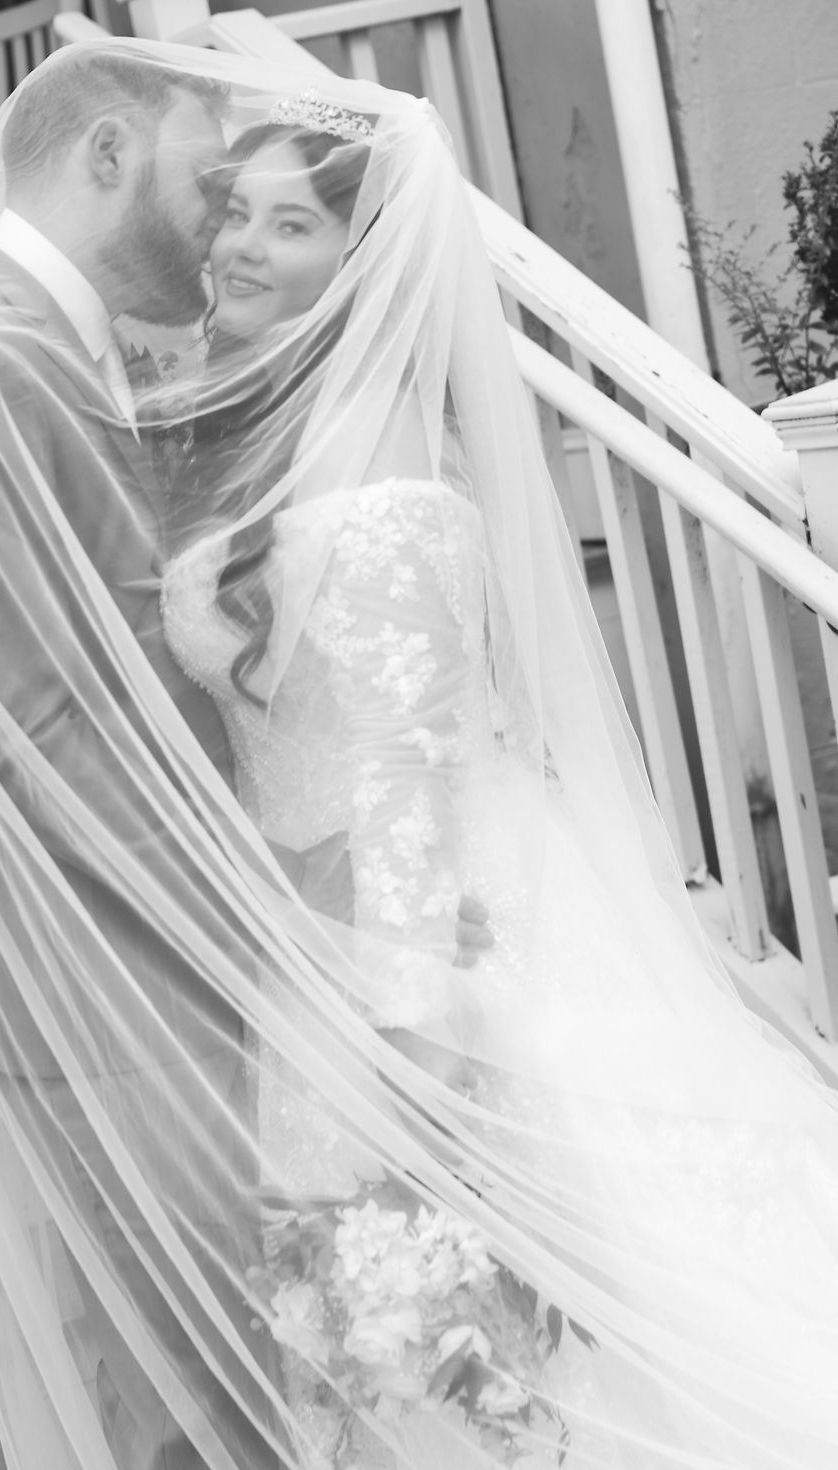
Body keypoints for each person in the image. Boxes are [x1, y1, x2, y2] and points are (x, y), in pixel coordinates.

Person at [157, 78, 838, 1470]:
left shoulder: (383, 475)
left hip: (415, 949)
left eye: (287, 225)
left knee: (482, 1312)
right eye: (235, 210)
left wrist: (409, 1036)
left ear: (358, 273)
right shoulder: (272, 443)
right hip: (315, 938)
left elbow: (405, 766)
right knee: (399, 1330)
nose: (235, 242)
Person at [0, 41, 490, 1470]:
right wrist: (272, 931)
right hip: (115, 990)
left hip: (197, 988)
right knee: (194, 1413)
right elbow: (33, 739)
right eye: (213, 187)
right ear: (103, 155)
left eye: (279, 216)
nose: (223, 227)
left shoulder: (71, 360)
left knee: (254, 1395)